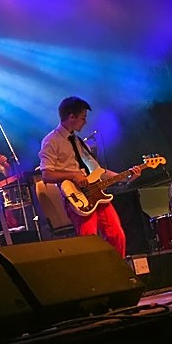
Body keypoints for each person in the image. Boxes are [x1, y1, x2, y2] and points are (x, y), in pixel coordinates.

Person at [38, 97, 127, 256]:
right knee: (89, 241)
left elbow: (97, 171)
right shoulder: (51, 141)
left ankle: (118, 267)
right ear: (71, 117)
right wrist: (73, 175)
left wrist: (125, 176)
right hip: (78, 197)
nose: (85, 122)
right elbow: (46, 174)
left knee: (117, 235)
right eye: (83, 117)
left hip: (96, 192)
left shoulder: (79, 142)